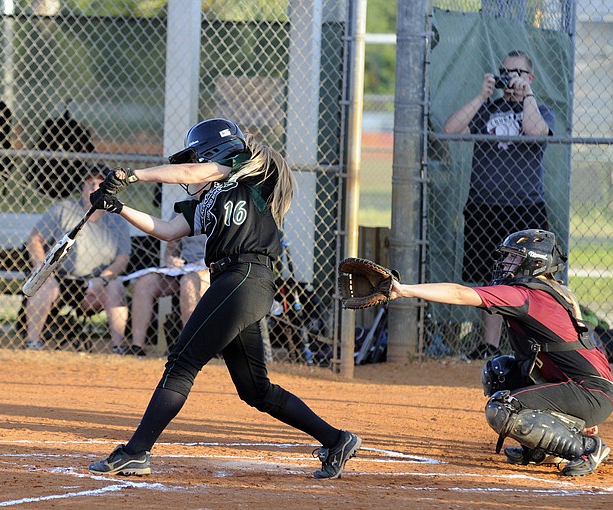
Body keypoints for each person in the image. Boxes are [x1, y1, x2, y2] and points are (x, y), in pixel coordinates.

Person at [86, 118, 360, 479]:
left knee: (182, 362)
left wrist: (133, 174)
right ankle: (337, 439)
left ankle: (137, 451)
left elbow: (197, 170)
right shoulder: (210, 197)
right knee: (255, 390)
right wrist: (118, 207)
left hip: (244, 276)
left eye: (199, 159)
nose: (194, 170)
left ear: (215, 153)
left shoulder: (251, 174)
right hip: (234, 282)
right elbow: (168, 231)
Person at [390, 229, 613, 476]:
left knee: (503, 408)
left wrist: (403, 290)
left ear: (535, 263)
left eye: (513, 258)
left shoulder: (526, 295)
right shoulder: (545, 290)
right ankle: (546, 448)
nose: (505, 263)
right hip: (582, 388)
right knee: (501, 373)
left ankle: (587, 447)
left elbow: (459, 293)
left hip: (589, 392)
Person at [443, 50, 555, 360]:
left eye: (518, 72)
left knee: (531, 280)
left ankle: (535, 346)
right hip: (485, 206)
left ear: (529, 77)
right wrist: (482, 95)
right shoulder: (487, 110)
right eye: (506, 71)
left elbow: (535, 133)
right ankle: (489, 346)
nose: (511, 78)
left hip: (525, 207)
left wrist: (526, 94)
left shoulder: (541, 110)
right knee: (488, 277)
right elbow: (450, 130)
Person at [23, 165, 131, 352]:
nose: (94, 188)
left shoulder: (117, 219)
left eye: (100, 183)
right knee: (43, 285)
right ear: (82, 187)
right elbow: (34, 239)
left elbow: (123, 258)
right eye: (89, 183)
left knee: (116, 286)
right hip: (60, 278)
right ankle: (32, 343)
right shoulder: (63, 210)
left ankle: (118, 347)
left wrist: (104, 278)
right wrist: (43, 270)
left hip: (96, 282)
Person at [125, 233, 209, 357]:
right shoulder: (184, 213)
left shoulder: (224, 213)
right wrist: (170, 258)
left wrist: (206, 261)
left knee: (188, 283)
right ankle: (137, 347)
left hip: (212, 267)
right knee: (144, 284)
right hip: (186, 266)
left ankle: (190, 347)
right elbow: (171, 246)